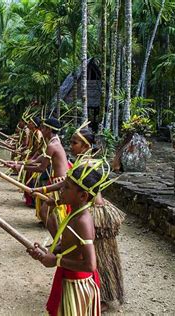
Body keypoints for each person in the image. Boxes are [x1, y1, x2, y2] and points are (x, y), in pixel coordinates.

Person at [35, 127, 126, 309]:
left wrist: (56, 259)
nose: (71, 145)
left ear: (86, 146)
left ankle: (102, 294)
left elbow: (75, 188)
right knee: (79, 247)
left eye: (75, 142)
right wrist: (45, 192)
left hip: (96, 210)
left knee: (97, 254)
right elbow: (67, 183)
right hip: (84, 208)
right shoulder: (79, 164)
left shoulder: (90, 165)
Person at [27, 159, 108, 316]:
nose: (61, 190)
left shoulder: (82, 221)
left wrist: (56, 260)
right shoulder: (74, 214)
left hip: (77, 284)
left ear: (83, 196)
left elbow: (90, 265)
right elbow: (68, 245)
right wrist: (46, 252)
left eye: (66, 188)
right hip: (68, 279)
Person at [8, 118, 69, 233]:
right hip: (58, 180)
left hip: (60, 181)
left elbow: (41, 168)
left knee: (45, 211)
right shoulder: (54, 141)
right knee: (46, 211)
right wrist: (18, 163)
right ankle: (58, 240)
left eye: (44, 128)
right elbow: (39, 159)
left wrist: (20, 167)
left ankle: (58, 242)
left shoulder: (52, 145)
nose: (41, 129)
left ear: (49, 129)